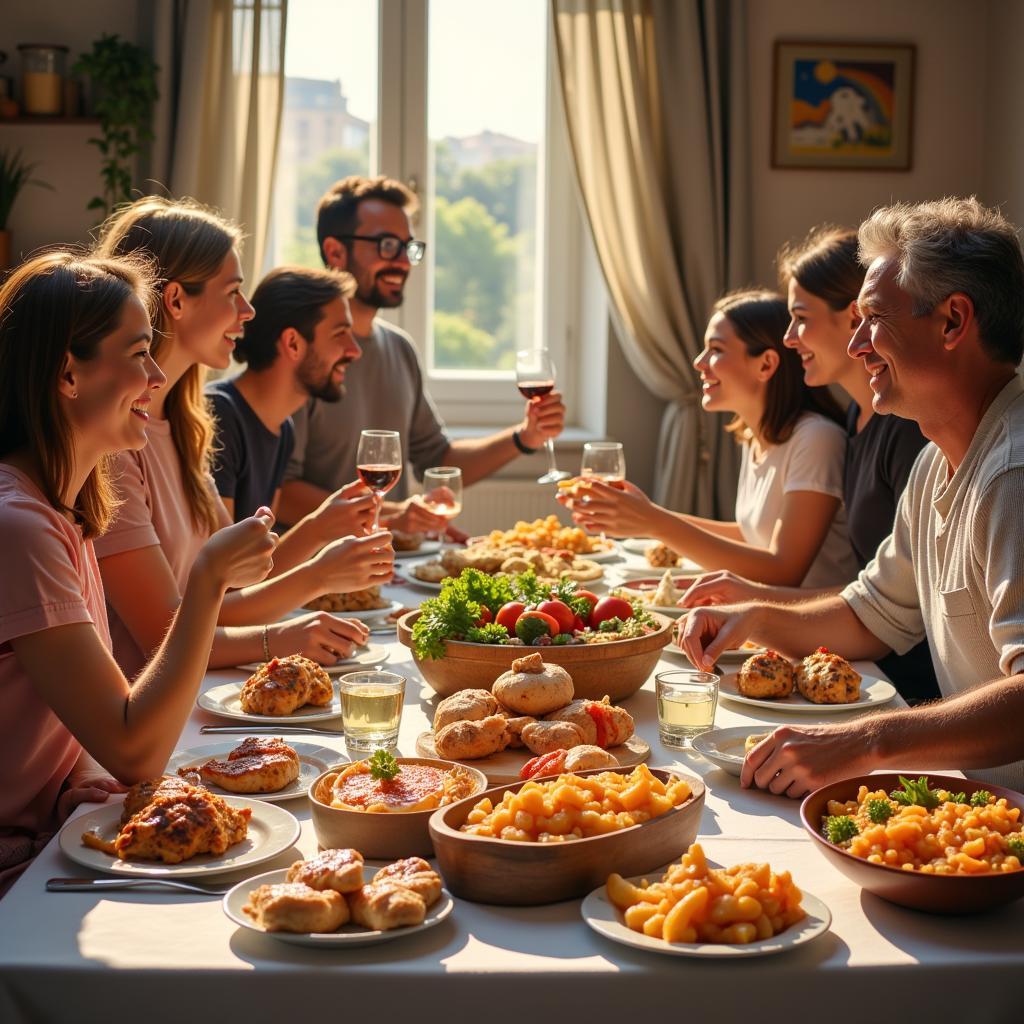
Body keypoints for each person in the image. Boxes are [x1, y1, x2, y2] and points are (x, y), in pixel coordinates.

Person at [679, 197, 1024, 796]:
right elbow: (871, 614)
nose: (858, 343)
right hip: (984, 802)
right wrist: (755, 618)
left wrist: (868, 740)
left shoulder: (1010, 475)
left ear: (952, 322)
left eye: (872, 318)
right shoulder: (932, 465)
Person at [0, 251, 277, 891]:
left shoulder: (63, 509)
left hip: (51, 832)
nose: (156, 374)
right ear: (68, 373)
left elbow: (55, 721)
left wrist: (73, 780)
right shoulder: (19, 528)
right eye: (137, 354)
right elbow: (135, 748)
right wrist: (208, 578)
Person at [92, 197, 392, 678]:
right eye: (232, 292)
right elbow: (163, 637)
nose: (248, 311)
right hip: (143, 713)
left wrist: (317, 534)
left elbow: (228, 592)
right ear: (176, 301)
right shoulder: (112, 446)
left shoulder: (188, 426)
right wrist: (296, 613)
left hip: (194, 693)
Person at [680, 227, 939, 703]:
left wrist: (759, 604)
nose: (789, 338)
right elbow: (877, 595)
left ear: (856, 315)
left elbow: (904, 607)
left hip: (899, 684)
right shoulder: (859, 419)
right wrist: (754, 607)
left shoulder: (910, 433)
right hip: (863, 657)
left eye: (800, 318)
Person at [277, 175, 567, 528]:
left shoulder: (398, 348)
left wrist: (525, 436)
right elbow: (282, 493)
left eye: (408, 247)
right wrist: (392, 516)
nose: (402, 262)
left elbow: (438, 459)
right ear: (336, 251)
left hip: (386, 562)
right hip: (314, 571)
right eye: (386, 245)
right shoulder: (301, 351)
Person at [569, 289, 858, 587]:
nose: (698, 362)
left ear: (766, 365)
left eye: (716, 350)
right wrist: (647, 520)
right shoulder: (756, 436)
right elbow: (752, 535)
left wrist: (655, 522)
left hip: (809, 627)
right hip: (763, 614)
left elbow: (784, 571)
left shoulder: (817, 439)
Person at [206, 265, 385, 574]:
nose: (354, 351)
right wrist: (318, 529)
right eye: (340, 333)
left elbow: (261, 569)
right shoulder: (219, 417)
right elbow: (226, 579)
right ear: (292, 343)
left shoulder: (282, 428)